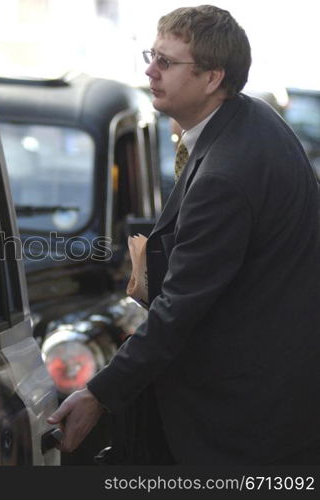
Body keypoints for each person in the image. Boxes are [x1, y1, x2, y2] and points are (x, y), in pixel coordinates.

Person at [49, 4, 320, 465]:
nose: (150, 71)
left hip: (240, 426)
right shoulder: (249, 119)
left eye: (167, 63)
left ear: (213, 78)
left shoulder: (226, 174)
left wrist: (98, 393)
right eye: (151, 56)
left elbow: (180, 309)